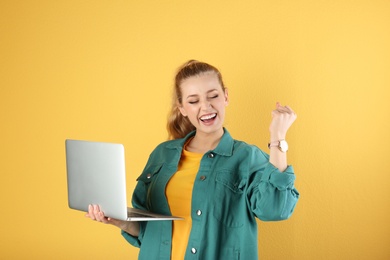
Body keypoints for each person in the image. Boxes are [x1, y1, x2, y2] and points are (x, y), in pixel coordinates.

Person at [86, 60, 299, 259]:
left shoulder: (247, 157)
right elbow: (146, 231)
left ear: (226, 96)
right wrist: (118, 221)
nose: (205, 107)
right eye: (193, 101)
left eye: (213, 96)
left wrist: (278, 138)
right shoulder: (162, 154)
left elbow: (275, 209)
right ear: (182, 109)